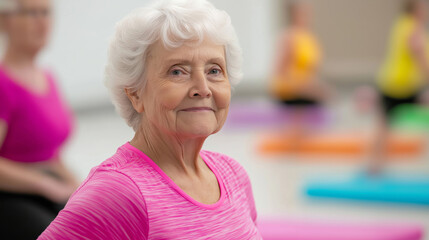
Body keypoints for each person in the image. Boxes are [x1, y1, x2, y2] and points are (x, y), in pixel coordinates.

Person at [38, 0, 261, 239]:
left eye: (214, 70)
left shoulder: (233, 175)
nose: (203, 88)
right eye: (177, 71)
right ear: (135, 93)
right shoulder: (118, 192)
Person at [0, 0, 79, 239]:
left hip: (47, 186)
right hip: (10, 194)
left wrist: (79, 186)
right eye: (31, 13)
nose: (42, 22)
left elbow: (49, 153)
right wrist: (43, 184)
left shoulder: (49, 79)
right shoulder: (3, 84)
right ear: (5, 21)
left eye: (46, 13)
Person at [368, 0, 429, 174]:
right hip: (396, 85)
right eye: (423, 7)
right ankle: (374, 167)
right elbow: (418, 53)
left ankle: (374, 166)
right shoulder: (411, 26)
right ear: (416, 9)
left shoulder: (402, 24)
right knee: (382, 127)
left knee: (382, 127)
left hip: (401, 85)